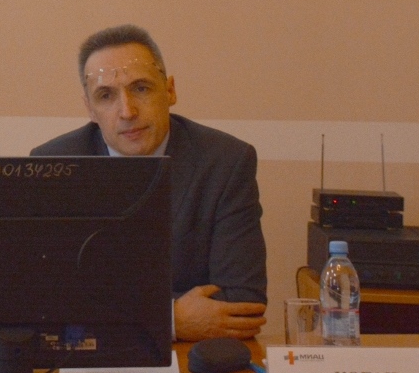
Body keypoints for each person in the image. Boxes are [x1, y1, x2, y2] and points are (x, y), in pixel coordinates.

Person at [31, 24, 268, 342]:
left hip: (191, 361)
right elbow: (45, 299)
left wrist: (105, 314)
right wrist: (169, 319)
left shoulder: (225, 162)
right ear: (90, 109)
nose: (127, 111)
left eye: (141, 88)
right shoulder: (54, 166)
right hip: (93, 359)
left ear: (169, 91)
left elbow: (243, 303)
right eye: (106, 96)